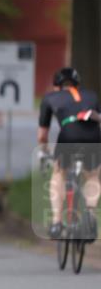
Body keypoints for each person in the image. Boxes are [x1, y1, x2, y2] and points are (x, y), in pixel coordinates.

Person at [38, 67, 101, 240]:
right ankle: (89, 214)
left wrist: (44, 152)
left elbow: (42, 135)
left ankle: (57, 222)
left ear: (56, 86)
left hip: (68, 135)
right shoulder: (92, 95)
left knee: (58, 173)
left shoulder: (50, 98)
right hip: (93, 136)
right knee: (92, 176)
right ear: (77, 84)